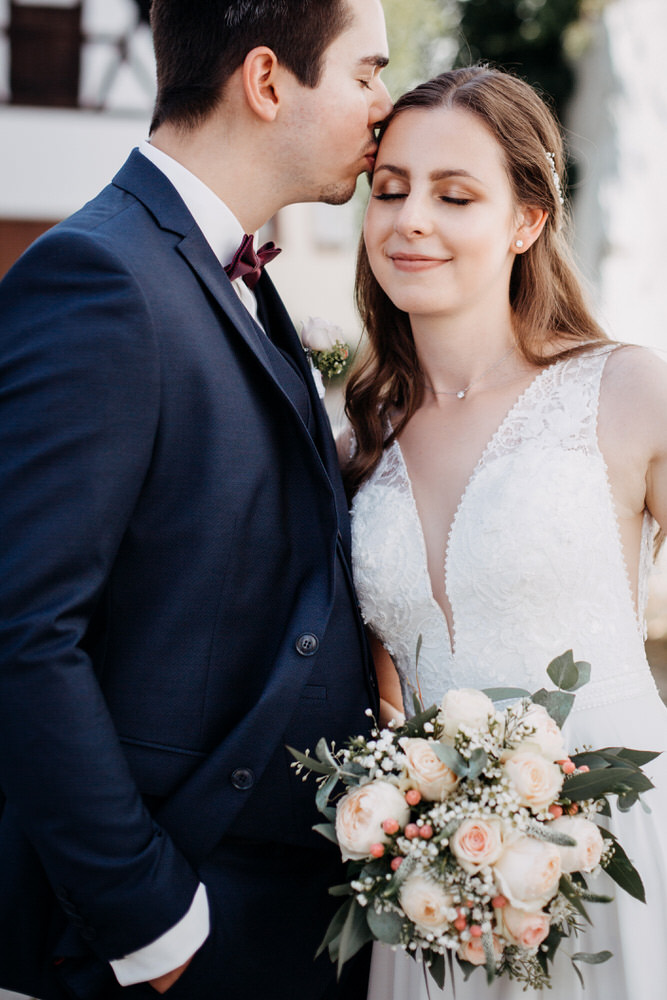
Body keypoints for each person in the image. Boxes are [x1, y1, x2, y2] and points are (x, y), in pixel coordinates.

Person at [0, 2, 392, 999]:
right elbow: (22, 629)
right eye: (365, 74)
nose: (383, 107)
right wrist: (151, 918)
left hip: (287, 920)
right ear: (267, 82)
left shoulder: (241, 279)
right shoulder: (100, 277)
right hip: (165, 935)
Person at [343, 66, 667, 999]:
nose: (409, 219)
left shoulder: (627, 392)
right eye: (390, 188)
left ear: (525, 221)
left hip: (618, 849)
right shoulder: (357, 442)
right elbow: (374, 689)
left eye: (454, 195)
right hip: (437, 891)